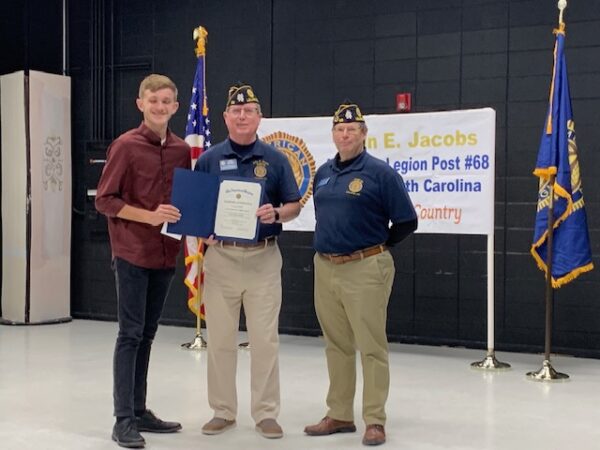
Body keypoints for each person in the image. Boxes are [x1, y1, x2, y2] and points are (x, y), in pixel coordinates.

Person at [304, 102, 417, 446]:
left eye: (352, 129)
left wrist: (376, 249)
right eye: (339, 129)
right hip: (326, 267)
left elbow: (406, 221)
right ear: (333, 134)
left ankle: (374, 419)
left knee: (371, 346)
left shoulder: (380, 173)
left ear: (364, 134)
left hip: (366, 267)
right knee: (336, 345)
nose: (345, 134)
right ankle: (339, 414)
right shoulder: (323, 172)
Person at [194, 83, 301, 439]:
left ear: (259, 117)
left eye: (249, 111)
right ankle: (222, 410)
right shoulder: (209, 159)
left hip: (262, 259)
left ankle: (266, 413)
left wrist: (278, 213)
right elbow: (197, 207)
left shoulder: (275, 159)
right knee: (221, 340)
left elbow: (294, 204)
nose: (242, 116)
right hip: (221, 257)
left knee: (265, 340)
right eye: (236, 111)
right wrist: (201, 230)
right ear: (226, 117)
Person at [95, 74, 190, 449]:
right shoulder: (125, 146)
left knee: (147, 335)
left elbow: (186, 201)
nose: (160, 107)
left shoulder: (183, 150)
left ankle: (139, 409)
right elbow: (105, 200)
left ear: (176, 106)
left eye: (167, 101)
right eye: (154, 101)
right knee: (130, 335)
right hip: (133, 253)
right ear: (141, 104)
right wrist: (147, 216)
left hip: (166, 254)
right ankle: (122, 419)